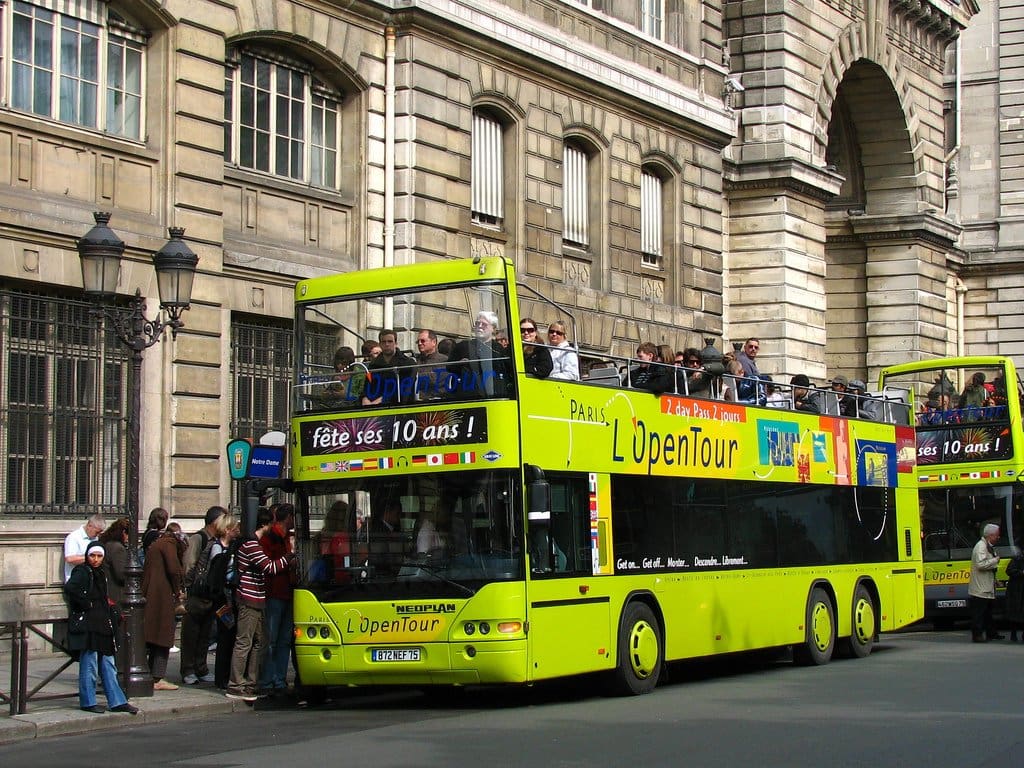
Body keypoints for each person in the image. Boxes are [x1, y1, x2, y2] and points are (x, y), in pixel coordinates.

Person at [226, 508, 294, 702]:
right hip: (249, 598)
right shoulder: (251, 545)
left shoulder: (254, 543)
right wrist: (288, 559)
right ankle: (236, 683)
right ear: (265, 524)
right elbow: (270, 567)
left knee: (260, 643)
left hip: (258, 598)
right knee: (244, 642)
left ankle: (252, 682)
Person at [64, 542, 138, 715]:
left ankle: (117, 701)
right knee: (89, 664)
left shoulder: (101, 572)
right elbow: (71, 588)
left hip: (103, 624)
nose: (96, 560)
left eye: (99, 556)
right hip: (90, 625)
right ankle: (88, 701)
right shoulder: (82, 571)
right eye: (92, 556)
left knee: (108, 664)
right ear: (87, 556)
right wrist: (85, 603)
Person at [180, 506, 227, 686]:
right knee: (191, 634)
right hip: (196, 594)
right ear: (215, 522)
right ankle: (188, 669)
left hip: (209, 594)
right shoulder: (198, 539)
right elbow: (189, 566)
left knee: (205, 634)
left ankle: (201, 668)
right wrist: (190, 588)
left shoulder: (214, 540)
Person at [259, 503, 297, 697]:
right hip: (274, 593)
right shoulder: (271, 537)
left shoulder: (285, 538)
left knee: (284, 639)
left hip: (287, 592)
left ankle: (279, 679)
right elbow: (267, 566)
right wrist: (288, 560)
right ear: (288, 517)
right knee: (272, 639)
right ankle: (268, 679)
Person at [142, 525, 185, 690]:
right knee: (163, 637)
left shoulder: (159, 543)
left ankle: (150, 674)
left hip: (153, 595)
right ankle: (157, 677)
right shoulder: (169, 545)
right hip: (162, 597)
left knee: (152, 637)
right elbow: (174, 569)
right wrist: (177, 590)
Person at [447, 311, 512, 397]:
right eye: (477, 323)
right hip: (467, 394)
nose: (479, 326)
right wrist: (460, 363)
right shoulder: (463, 346)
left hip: (493, 395)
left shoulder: (499, 349)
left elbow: (507, 370)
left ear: (493, 328)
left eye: (484, 324)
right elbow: (449, 367)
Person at [99, 517, 131, 679]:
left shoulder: (107, 545)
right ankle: (116, 672)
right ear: (124, 533)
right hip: (116, 596)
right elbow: (121, 574)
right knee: (118, 636)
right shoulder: (117, 548)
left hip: (108, 595)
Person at [363, 328, 417, 405]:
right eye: (384, 342)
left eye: (390, 341)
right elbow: (367, 386)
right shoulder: (373, 365)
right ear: (380, 344)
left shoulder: (407, 363)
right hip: (373, 405)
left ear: (396, 343)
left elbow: (404, 389)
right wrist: (365, 398)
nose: (387, 344)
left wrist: (381, 400)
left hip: (397, 406)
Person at [968, 522, 1002, 643]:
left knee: (987, 612)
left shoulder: (987, 545)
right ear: (990, 535)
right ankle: (977, 635)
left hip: (986, 586)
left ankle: (991, 633)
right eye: (997, 535)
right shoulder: (981, 547)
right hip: (980, 588)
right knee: (979, 613)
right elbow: (981, 564)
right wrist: (995, 560)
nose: (998, 537)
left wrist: (995, 580)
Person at [64, 514, 106, 583]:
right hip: (76, 581)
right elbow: (70, 559)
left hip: (91, 581)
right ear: (89, 526)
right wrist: (89, 557)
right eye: (97, 532)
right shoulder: (74, 537)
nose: (97, 535)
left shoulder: (95, 538)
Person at [414, 329, 448, 399]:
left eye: (423, 341)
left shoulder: (444, 360)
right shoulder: (414, 360)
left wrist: (415, 377)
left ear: (434, 342)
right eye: (418, 341)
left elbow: (434, 380)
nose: (419, 343)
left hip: (435, 402)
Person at [1006, 537, 1024, 642]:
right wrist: (1021, 573)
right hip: (1017, 589)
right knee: (1016, 613)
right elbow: (1009, 571)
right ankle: (1013, 633)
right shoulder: (1017, 559)